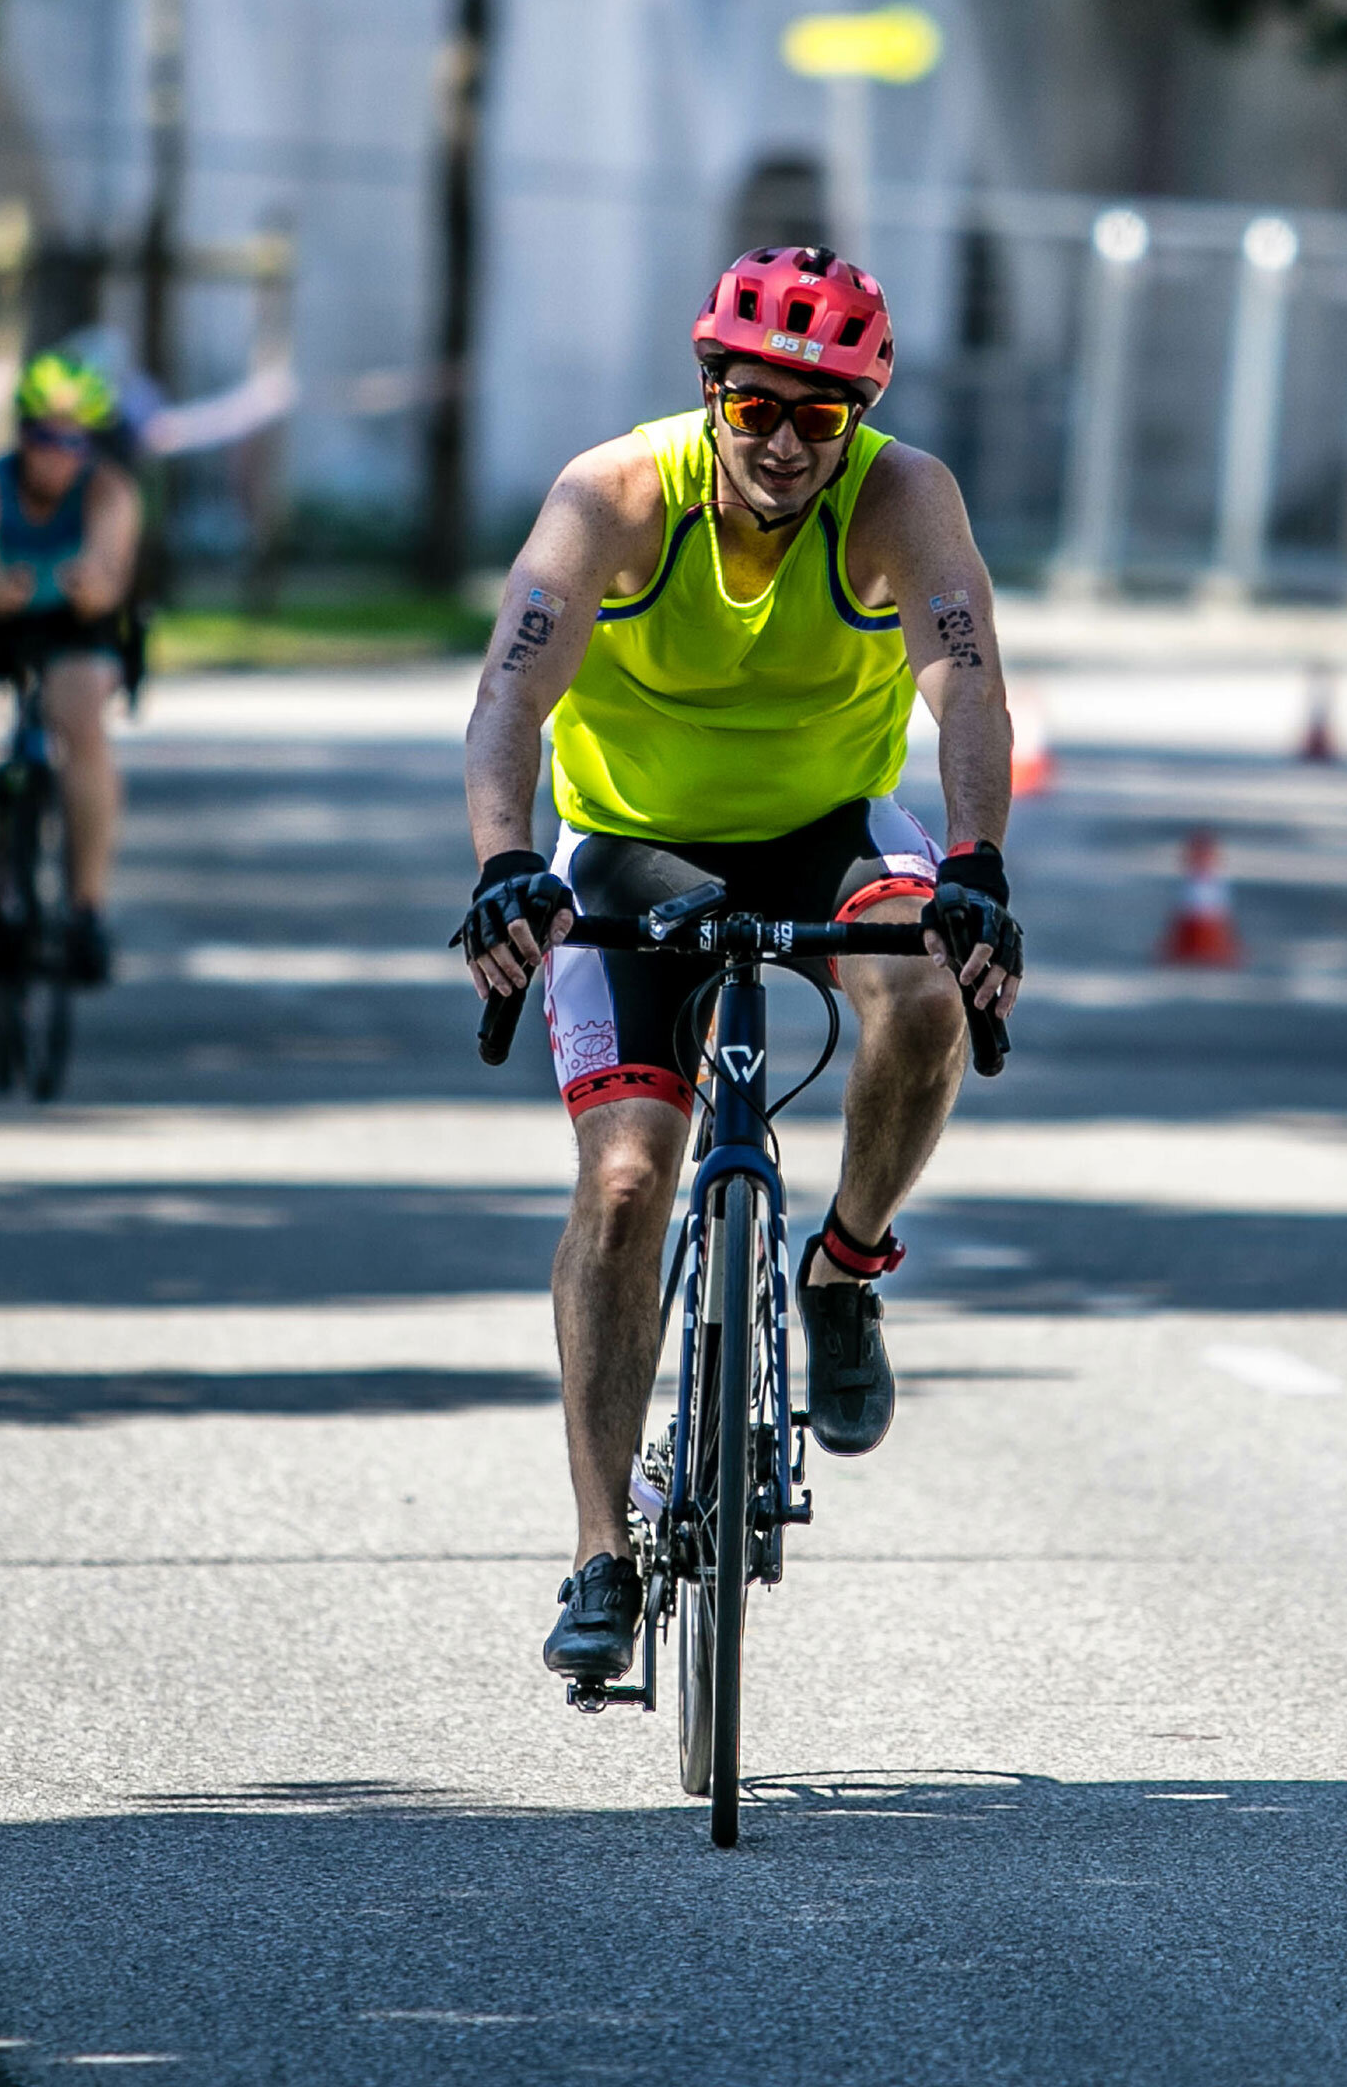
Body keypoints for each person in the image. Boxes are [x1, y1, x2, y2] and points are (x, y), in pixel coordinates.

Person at [457, 246, 1024, 1688]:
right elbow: (511, 692)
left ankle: (840, 1271)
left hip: (824, 831)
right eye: (757, 405)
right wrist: (503, 861)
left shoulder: (906, 498)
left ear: (859, 419)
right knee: (630, 1178)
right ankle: (600, 1550)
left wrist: (975, 864)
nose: (783, 441)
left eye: (820, 418)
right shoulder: (615, 496)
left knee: (919, 993)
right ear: (710, 389)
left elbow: (965, 681)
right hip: (630, 847)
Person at [0, 349, 142, 985]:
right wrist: (1, 590)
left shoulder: (108, 491)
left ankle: (86, 908)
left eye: (76, 440)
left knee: (84, 727)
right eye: (46, 437)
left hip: (70, 626)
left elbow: (110, 575)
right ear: (22, 435)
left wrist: (90, 589)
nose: (60, 453)